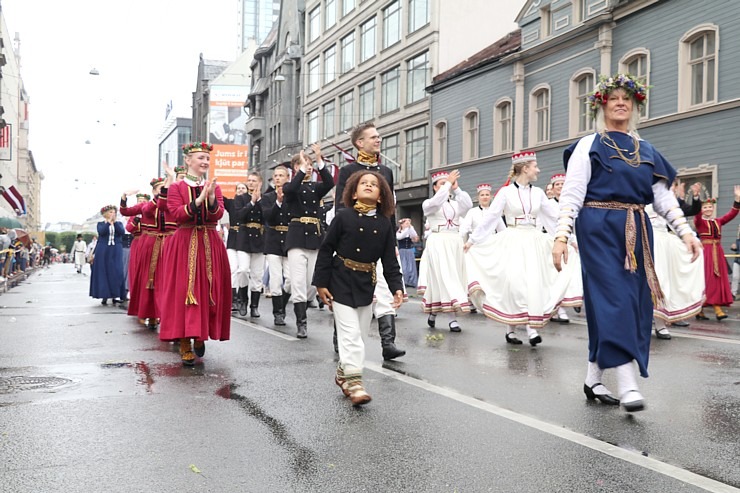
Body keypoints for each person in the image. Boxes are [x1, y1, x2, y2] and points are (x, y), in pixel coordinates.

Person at [552, 74, 701, 413]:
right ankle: (628, 383)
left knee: (631, 304)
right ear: (602, 104)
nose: (621, 102)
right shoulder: (589, 145)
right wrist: (561, 235)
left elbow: (662, 199)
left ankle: (593, 377)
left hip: (637, 229)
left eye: (627, 99)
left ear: (634, 106)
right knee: (615, 300)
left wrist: (686, 232)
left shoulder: (647, 150)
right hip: (598, 227)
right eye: (614, 97)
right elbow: (573, 193)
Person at [464, 153, 580, 346]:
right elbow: (491, 218)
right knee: (515, 284)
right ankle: (511, 329)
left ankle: (530, 328)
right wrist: (473, 241)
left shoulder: (539, 193)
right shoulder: (506, 193)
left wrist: (569, 238)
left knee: (532, 283)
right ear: (525, 168)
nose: (538, 170)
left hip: (534, 241)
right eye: (535, 166)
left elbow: (553, 219)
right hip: (513, 240)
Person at [314, 172, 403, 406]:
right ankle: (355, 384)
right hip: (340, 279)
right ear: (353, 193)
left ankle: (343, 373)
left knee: (360, 338)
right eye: (364, 183)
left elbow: (389, 261)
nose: (369, 186)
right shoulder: (343, 217)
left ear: (382, 196)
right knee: (350, 335)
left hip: (366, 282)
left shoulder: (384, 224)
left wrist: (397, 287)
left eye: (374, 185)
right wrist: (321, 283)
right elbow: (326, 249)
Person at [333, 123, 406, 359]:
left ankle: (388, 343)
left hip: (380, 235)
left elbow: (390, 207)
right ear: (359, 143)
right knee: (348, 288)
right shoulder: (348, 172)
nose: (378, 139)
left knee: (385, 288)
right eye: (373, 137)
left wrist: (392, 240)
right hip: (353, 238)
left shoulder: (386, 171)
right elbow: (341, 205)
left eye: (379, 136)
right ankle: (341, 338)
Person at [158, 142, 231, 366]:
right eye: (200, 158)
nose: (205, 162)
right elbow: (178, 215)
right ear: (188, 161)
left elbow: (217, 214)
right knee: (184, 289)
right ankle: (184, 341)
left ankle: (200, 333)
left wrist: (209, 198)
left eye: (207, 159)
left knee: (208, 288)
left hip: (209, 242)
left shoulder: (214, 186)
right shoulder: (176, 188)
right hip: (185, 241)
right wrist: (198, 200)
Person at [283, 147, 335, 338]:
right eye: (305, 164)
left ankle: (285, 299)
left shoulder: (315, 188)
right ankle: (301, 324)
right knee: (297, 282)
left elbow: (329, 183)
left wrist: (319, 160)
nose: (309, 167)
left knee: (312, 283)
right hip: (296, 238)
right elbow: (292, 189)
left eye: (311, 165)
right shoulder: (291, 187)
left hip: (314, 238)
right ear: (296, 167)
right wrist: (302, 170)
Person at [418, 170, 473, 331]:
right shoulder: (428, 203)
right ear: (434, 187)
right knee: (445, 276)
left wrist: (456, 188)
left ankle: (433, 311)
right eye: (441, 183)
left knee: (452, 275)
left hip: (455, 241)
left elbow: (468, 205)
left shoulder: (455, 204)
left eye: (447, 182)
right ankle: (452, 319)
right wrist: (447, 183)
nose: (446, 185)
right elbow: (437, 202)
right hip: (438, 241)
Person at [120, 177, 175, 330]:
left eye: (166, 189)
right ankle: (149, 313)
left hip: (170, 245)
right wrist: (124, 196)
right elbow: (125, 211)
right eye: (160, 189)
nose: (164, 192)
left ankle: (168, 315)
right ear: (153, 191)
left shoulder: (173, 205)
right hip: (151, 245)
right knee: (150, 280)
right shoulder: (146, 206)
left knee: (170, 281)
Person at [647, 203, 704, 339]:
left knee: (661, 282)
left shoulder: (660, 195)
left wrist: (692, 238)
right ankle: (637, 323)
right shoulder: (636, 193)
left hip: (662, 244)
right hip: (639, 239)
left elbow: (674, 220)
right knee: (639, 283)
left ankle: (660, 324)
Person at [694, 191, 740, 321]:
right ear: (702, 210)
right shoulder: (700, 222)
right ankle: (711, 308)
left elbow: (732, 214)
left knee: (718, 279)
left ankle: (708, 308)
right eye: (705, 207)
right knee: (707, 279)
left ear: (713, 209)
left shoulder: (718, 221)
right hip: (706, 252)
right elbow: (696, 215)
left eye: (710, 207)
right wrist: (697, 198)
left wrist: (737, 199)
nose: (708, 209)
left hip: (717, 252)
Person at [262, 164, 292, 326]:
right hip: (273, 240)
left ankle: (282, 305)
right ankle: (278, 313)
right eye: (276, 176)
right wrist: (278, 203)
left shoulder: (293, 196)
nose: (278, 178)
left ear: (288, 178)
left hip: (289, 241)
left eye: (282, 175)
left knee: (291, 280)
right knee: (275, 279)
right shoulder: (267, 197)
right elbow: (268, 217)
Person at [234, 172, 266, 318]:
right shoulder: (241, 199)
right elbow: (239, 216)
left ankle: (254, 306)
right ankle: (242, 300)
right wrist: (251, 202)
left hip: (259, 240)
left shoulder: (265, 200)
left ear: (260, 183)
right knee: (243, 270)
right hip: (244, 238)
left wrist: (259, 201)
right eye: (249, 181)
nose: (251, 183)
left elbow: (268, 217)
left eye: (254, 181)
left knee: (257, 275)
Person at [89, 205, 127, 305]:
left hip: (116, 249)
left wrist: (114, 223)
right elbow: (102, 232)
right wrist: (108, 223)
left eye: (114, 212)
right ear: (105, 214)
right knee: (103, 271)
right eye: (110, 212)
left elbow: (121, 232)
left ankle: (116, 294)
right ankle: (104, 295)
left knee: (116, 271)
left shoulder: (118, 224)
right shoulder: (101, 224)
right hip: (103, 249)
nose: (113, 214)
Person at [223, 182, 248, 313]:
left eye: (243, 188)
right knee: (233, 268)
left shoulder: (251, 204)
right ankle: (233, 299)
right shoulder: (231, 203)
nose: (240, 190)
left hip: (245, 239)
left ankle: (242, 297)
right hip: (233, 238)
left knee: (243, 269)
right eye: (238, 188)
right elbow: (219, 197)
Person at [397, 218, 419, 289]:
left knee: (411, 266)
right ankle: (404, 281)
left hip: (409, 250)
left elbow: (415, 236)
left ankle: (411, 282)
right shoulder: (399, 232)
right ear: (402, 225)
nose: (407, 225)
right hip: (402, 250)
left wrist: (410, 227)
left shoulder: (409, 231)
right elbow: (400, 237)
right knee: (403, 266)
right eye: (405, 224)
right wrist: (407, 229)